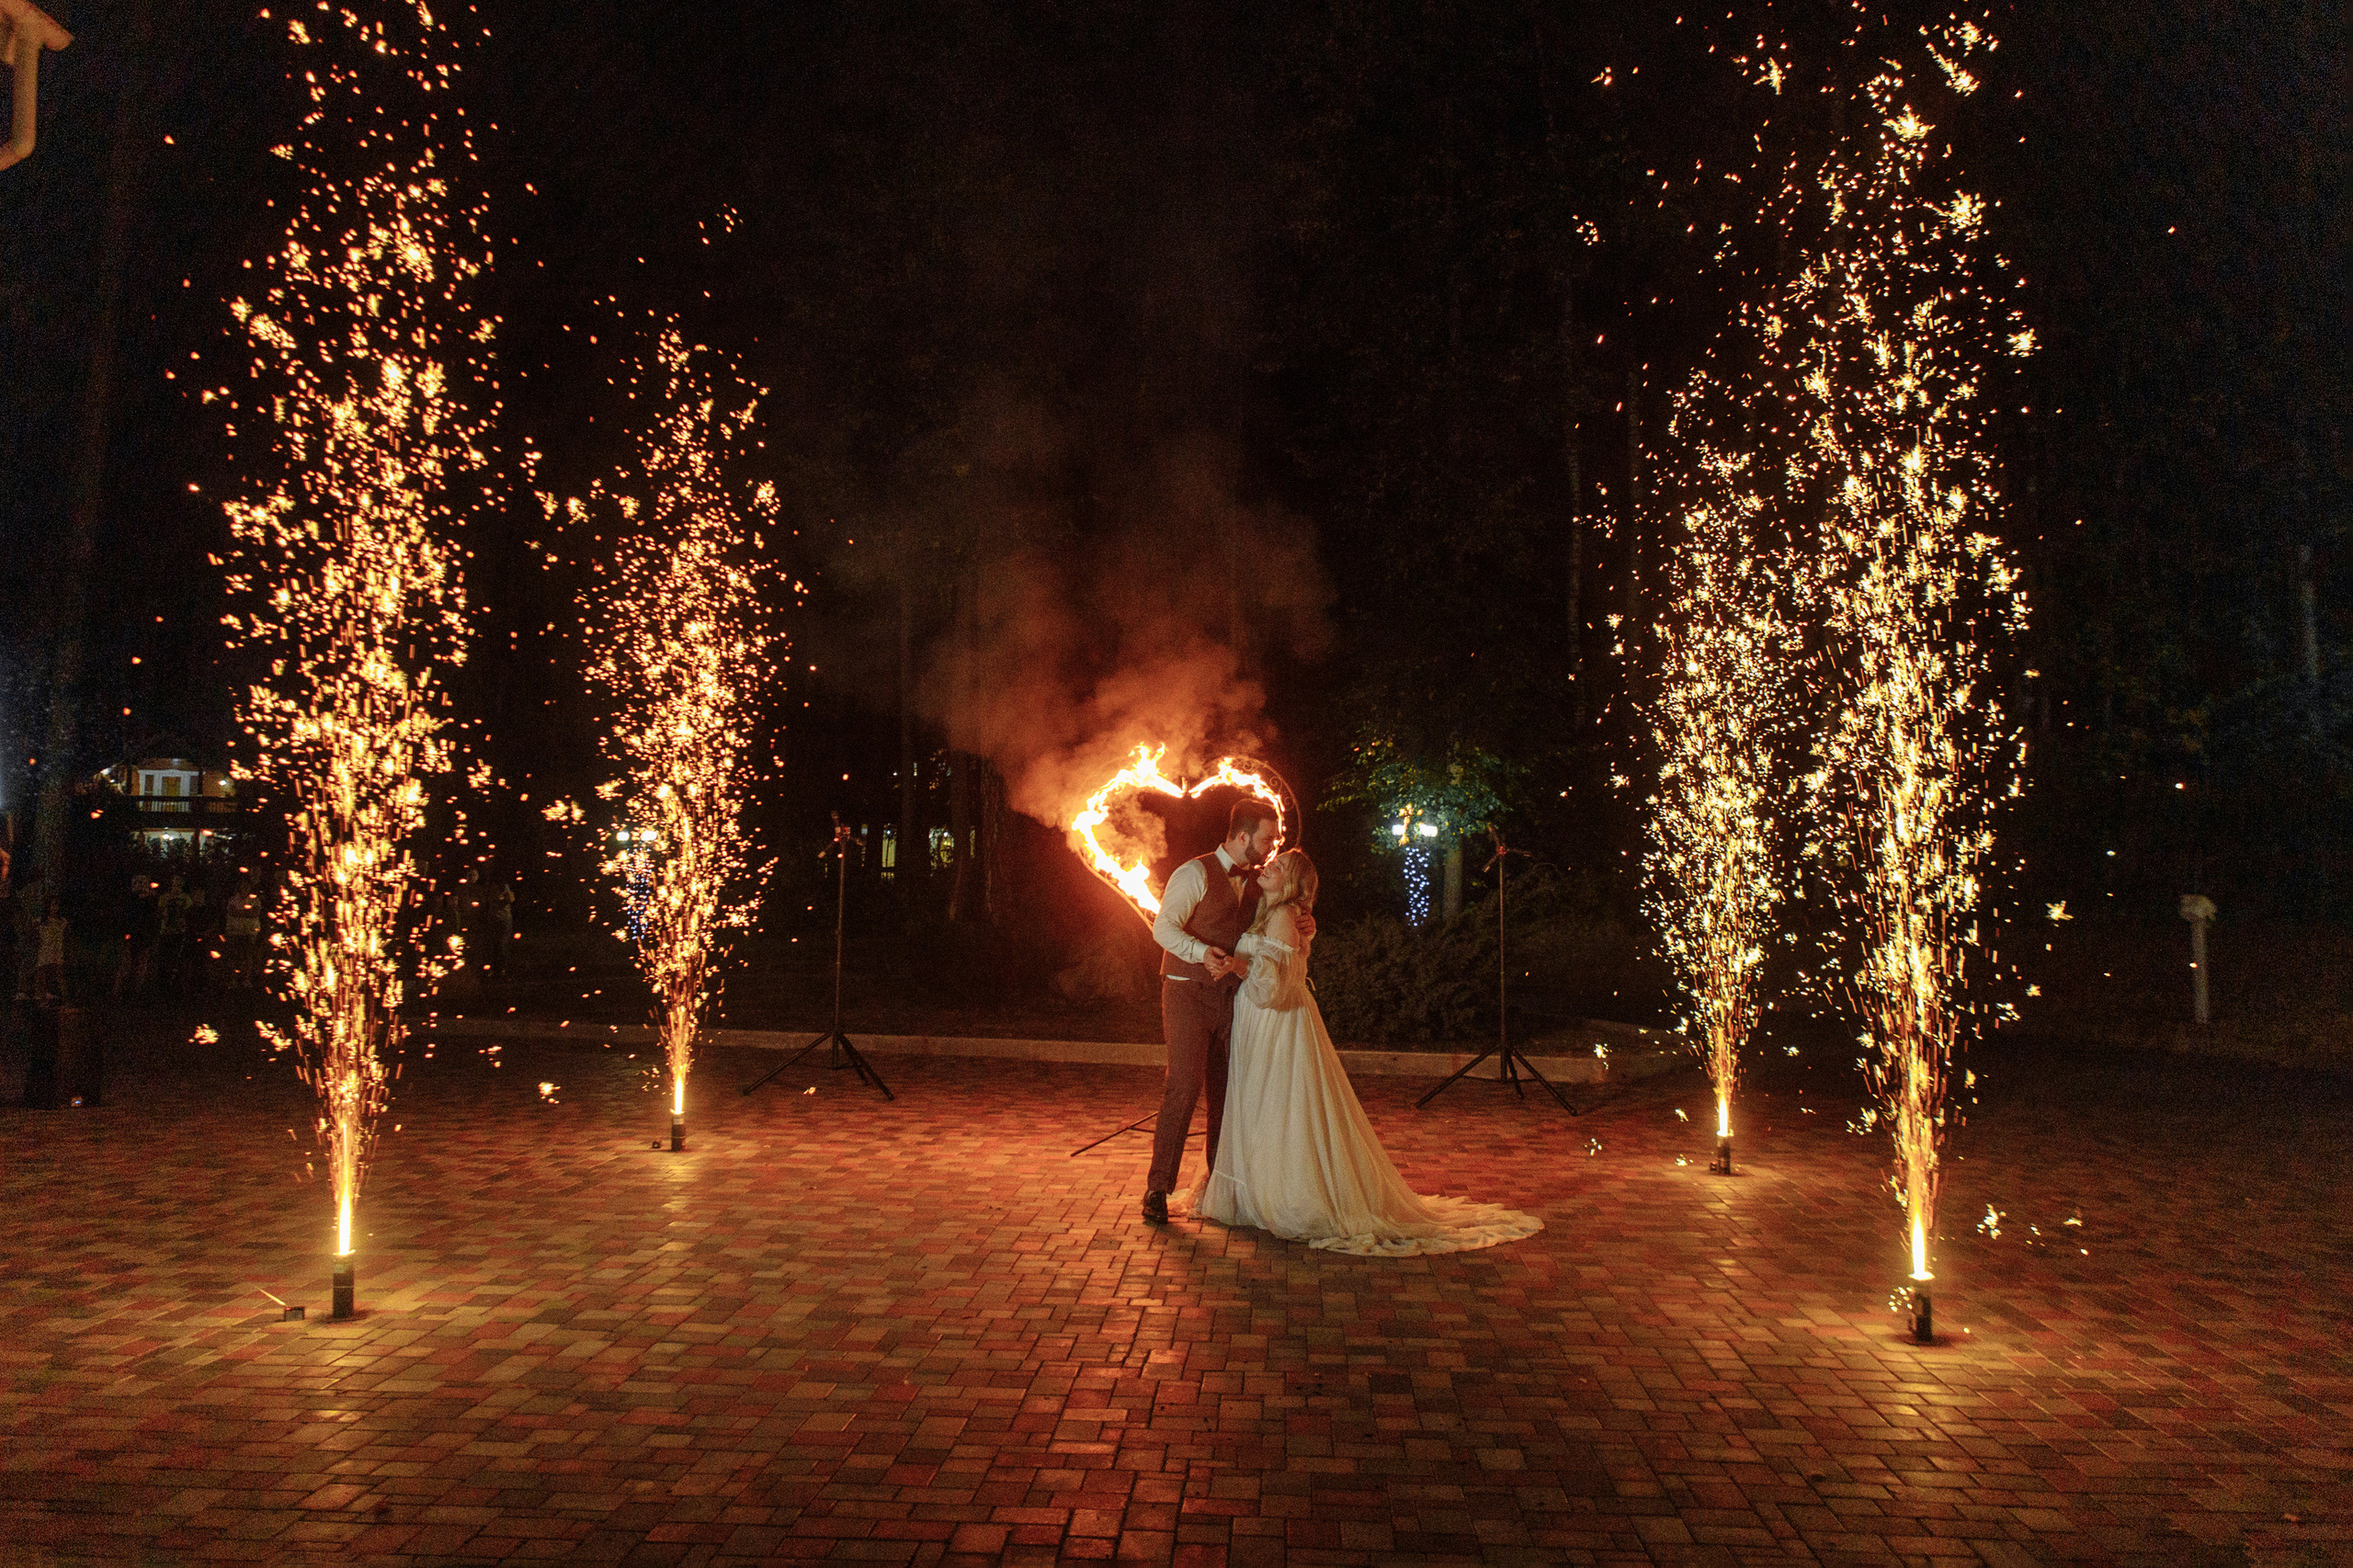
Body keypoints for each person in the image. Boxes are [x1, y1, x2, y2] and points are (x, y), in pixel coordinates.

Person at [1188, 849, 1542, 1256]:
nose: (1269, 865)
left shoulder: (1285, 914)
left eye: (1279, 866)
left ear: (1292, 885)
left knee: (1281, 1104)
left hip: (1277, 1023)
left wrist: (1235, 965)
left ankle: (1287, 1196)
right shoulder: (1267, 912)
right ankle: (1255, 1191)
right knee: (1260, 1104)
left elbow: (1273, 988)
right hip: (1257, 1022)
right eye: (1273, 861)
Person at [1142, 798, 1295, 1226]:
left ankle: (1219, 1186)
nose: (1272, 846)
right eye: (1266, 838)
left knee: (1228, 1092)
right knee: (1185, 1084)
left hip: (1233, 996)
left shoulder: (1259, 880)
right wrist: (1197, 952)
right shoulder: (1193, 872)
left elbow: (1278, 922)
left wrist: (1307, 923)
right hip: (1187, 992)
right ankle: (1158, 1188)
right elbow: (1163, 928)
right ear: (1242, 836)